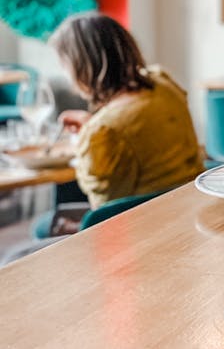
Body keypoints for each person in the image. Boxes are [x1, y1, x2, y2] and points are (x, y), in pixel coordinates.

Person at [51, 12, 202, 212]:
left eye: (65, 66)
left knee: (46, 223)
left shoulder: (103, 132)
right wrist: (92, 126)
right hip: (190, 206)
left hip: (141, 225)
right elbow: (140, 132)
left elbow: (102, 208)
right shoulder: (164, 84)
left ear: (82, 67)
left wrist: (89, 139)